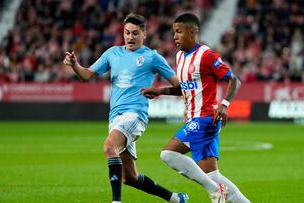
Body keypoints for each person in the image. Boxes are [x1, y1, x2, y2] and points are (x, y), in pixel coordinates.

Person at [63, 13, 189, 203]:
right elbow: (87, 75)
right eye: (127, 33)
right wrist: (75, 65)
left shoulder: (152, 57)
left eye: (135, 33)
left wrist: (159, 91)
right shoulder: (112, 53)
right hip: (115, 118)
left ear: (144, 34)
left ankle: (116, 201)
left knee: (109, 146)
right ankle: (176, 199)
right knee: (129, 177)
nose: (130, 37)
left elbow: (181, 86)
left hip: (134, 116)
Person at [142, 13, 251, 203]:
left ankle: (215, 192)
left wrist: (224, 105)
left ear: (193, 32)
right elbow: (185, 88)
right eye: (173, 32)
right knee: (212, 175)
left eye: (179, 32)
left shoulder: (207, 55)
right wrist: (160, 91)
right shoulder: (180, 56)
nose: (174, 36)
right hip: (194, 119)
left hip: (206, 118)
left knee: (168, 154)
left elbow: (234, 80)